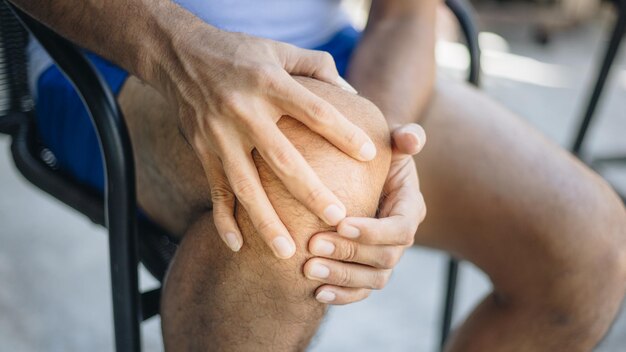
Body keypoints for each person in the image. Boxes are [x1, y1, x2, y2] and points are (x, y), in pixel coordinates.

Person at [14, 0, 626, 350]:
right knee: (310, 180)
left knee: (588, 246)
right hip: (120, 55)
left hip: (330, 56)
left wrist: (378, 145)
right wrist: (182, 52)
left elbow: (408, 14)